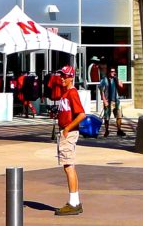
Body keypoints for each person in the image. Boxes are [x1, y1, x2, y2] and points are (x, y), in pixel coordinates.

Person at [53, 65, 86, 216]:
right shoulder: (65, 93)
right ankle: (75, 201)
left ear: (71, 77)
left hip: (69, 132)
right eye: (61, 75)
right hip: (66, 131)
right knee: (69, 165)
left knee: (68, 166)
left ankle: (73, 202)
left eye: (64, 76)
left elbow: (81, 115)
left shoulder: (72, 93)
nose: (62, 78)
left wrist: (67, 129)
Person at [98, 67, 126, 137]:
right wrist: (104, 101)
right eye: (111, 71)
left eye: (114, 71)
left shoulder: (115, 79)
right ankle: (106, 130)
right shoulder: (104, 80)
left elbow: (121, 86)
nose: (113, 73)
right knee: (107, 117)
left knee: (119, 116)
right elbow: (101, 91)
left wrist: (117, 79)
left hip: (116, 100)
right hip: (108, 101)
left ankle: (119, 130)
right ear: (108, 72)